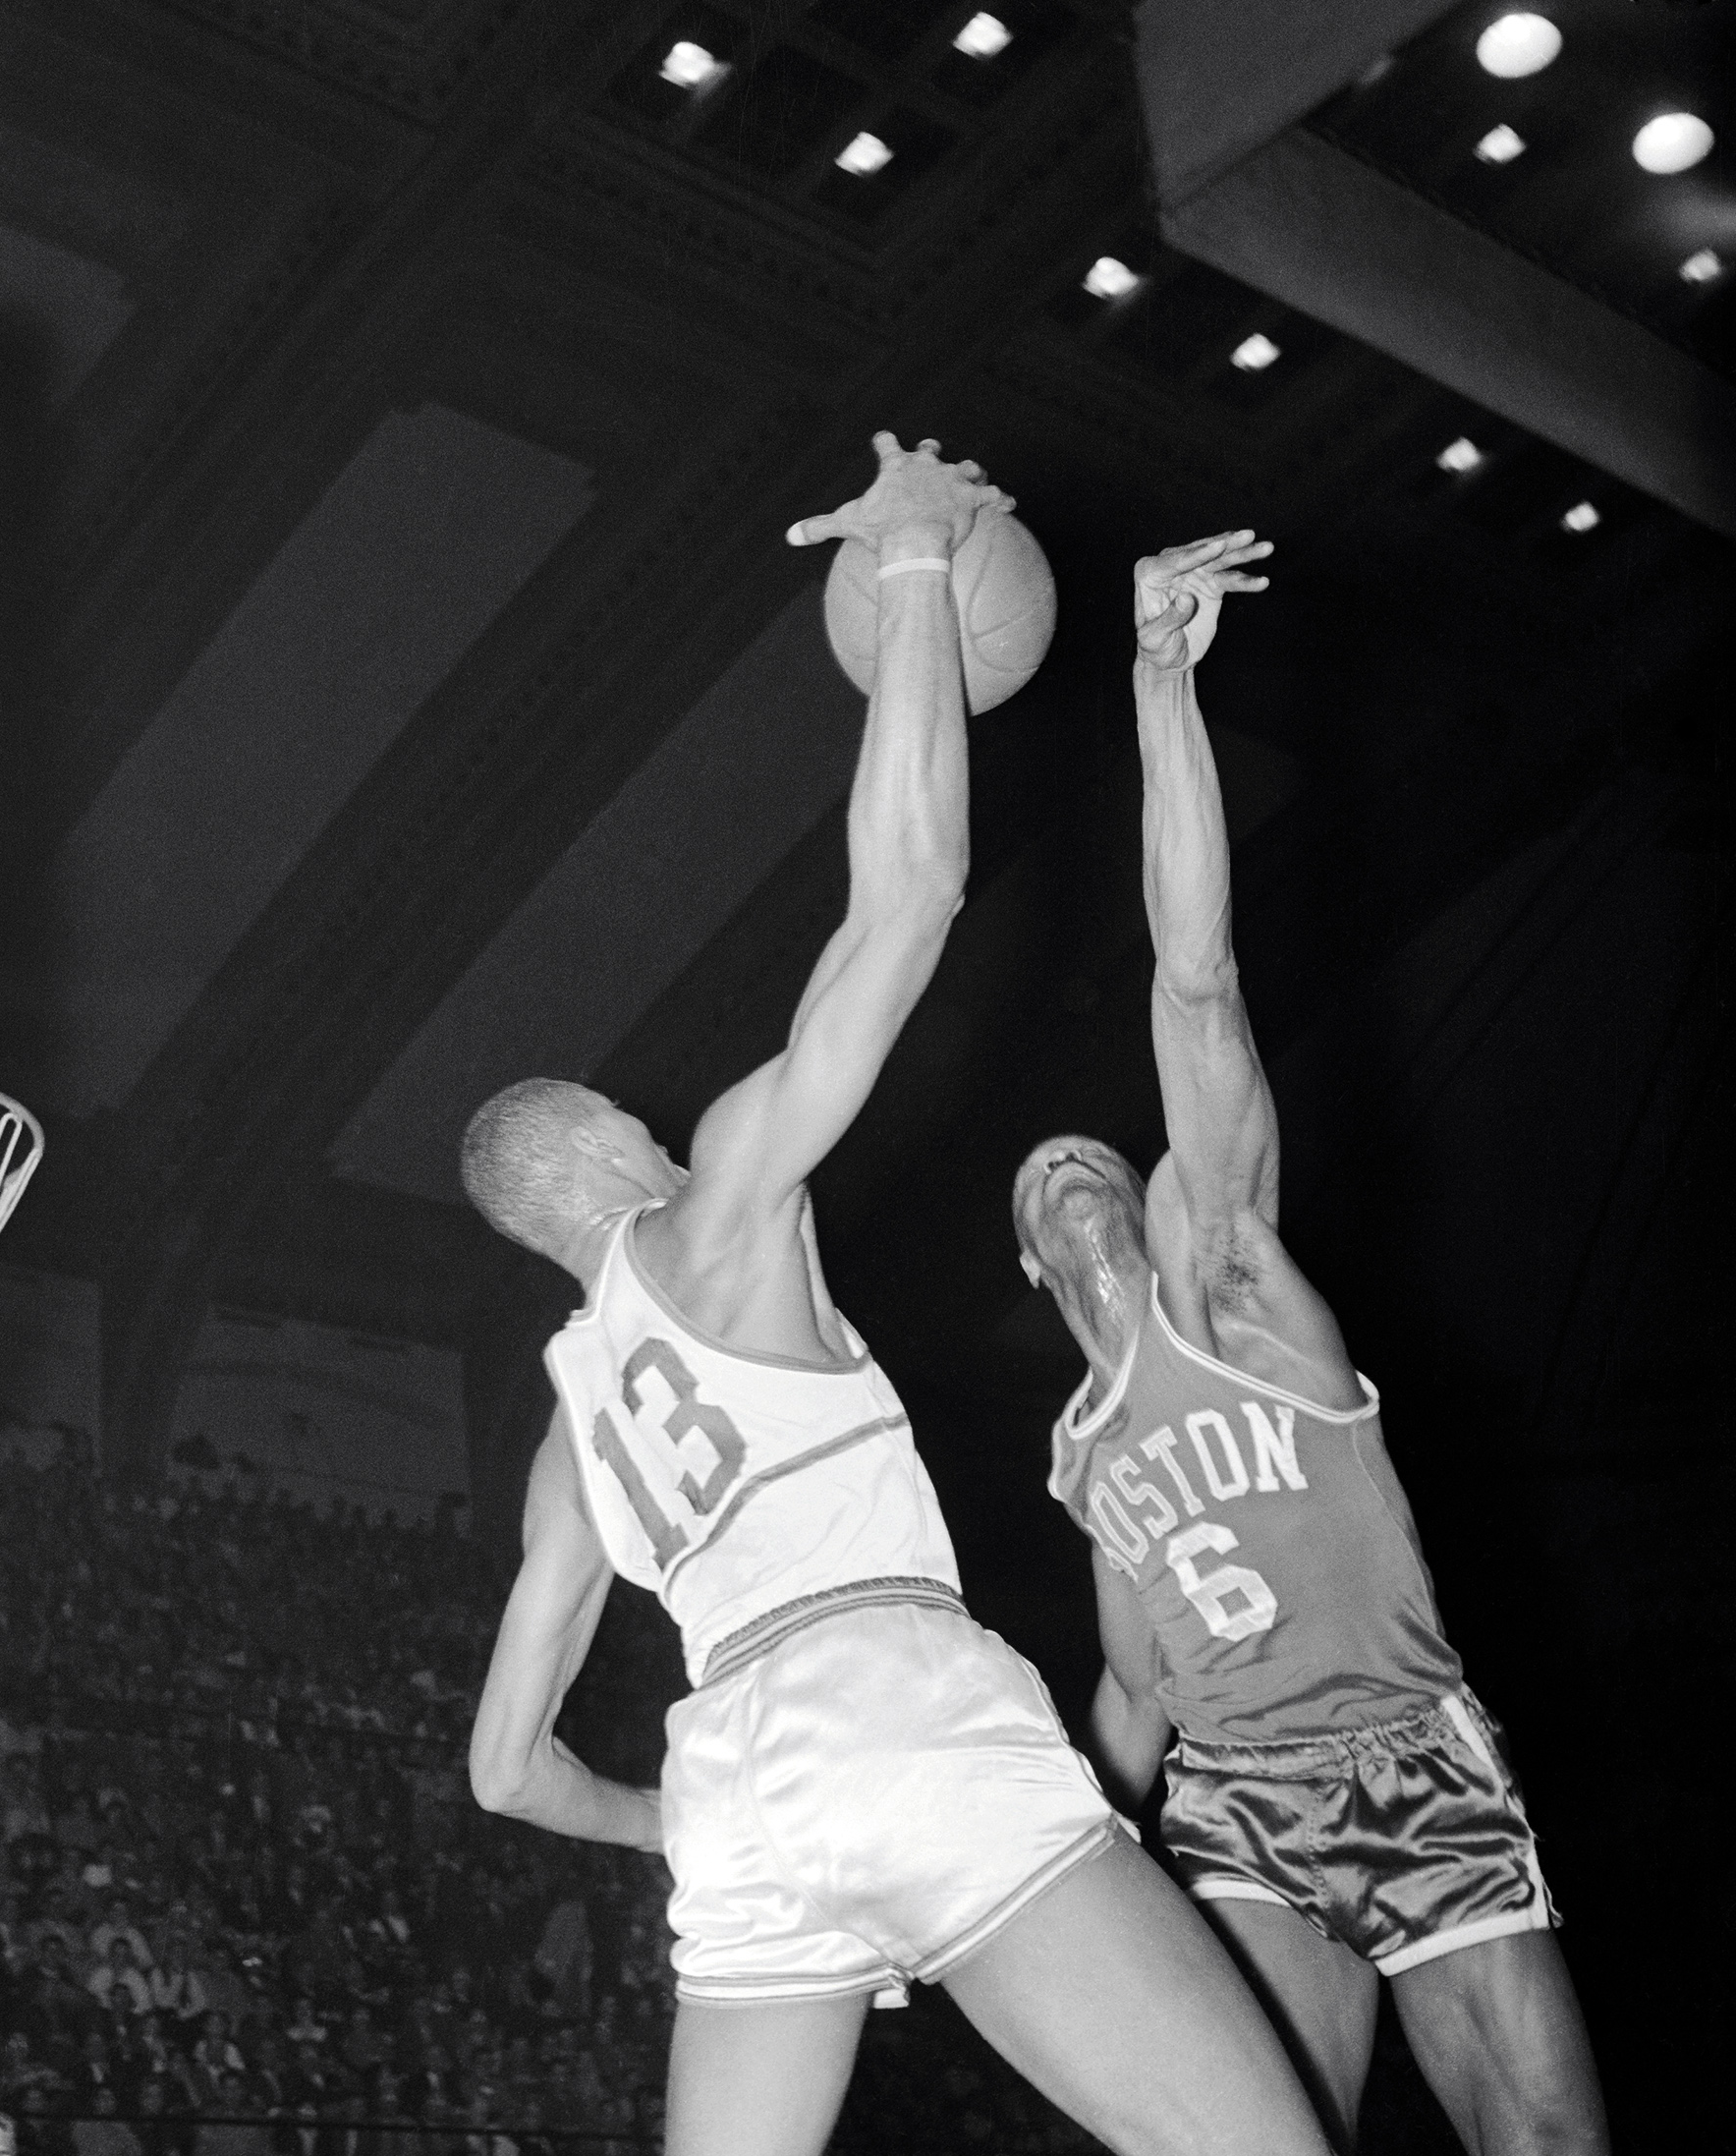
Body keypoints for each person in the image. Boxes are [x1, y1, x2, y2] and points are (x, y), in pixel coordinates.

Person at [461, 434, 1333, 2156]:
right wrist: (924, 567)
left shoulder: (570, 1445)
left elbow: (503, 1768)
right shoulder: (712, 1213)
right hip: (892, 1698)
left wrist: (686, 1829)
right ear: (626, 1135)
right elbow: (908, 898)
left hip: (732, 1791)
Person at [1012, 532, 1610, 2155]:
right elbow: (1135, 1698)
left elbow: (1196, 984)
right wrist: (1013, 1862)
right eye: (1045, 1172)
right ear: (1032, 1254)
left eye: (1098, 1160)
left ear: (1141, 1202)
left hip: (1412, 1749)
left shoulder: (1224, 1281)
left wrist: (1160, 682)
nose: (1077, 1168)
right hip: (1238, 1793)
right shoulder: (1086, 1454)